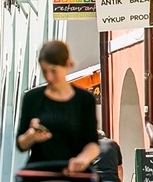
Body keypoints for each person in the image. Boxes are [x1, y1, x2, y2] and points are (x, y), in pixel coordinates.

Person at [15, 40, 100, 173]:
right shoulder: (32, 98)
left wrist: (82, 159)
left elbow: (93, 143)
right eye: (44, 71)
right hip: (39, 173)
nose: (49, 77)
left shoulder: (84, 100)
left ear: (66, 65)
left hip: (74, 174)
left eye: (54, 71)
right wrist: (31, 136)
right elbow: (20, 144)